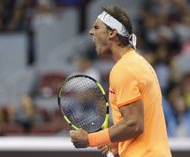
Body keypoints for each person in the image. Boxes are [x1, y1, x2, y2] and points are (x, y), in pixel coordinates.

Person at [70, 6, 172, 157]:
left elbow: (134, 124)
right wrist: (118, 141)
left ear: (112, 33)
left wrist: (90, 139)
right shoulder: (138, 63)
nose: (91, 32)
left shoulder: (124, 69)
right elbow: (140, 123)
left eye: (97, 27)